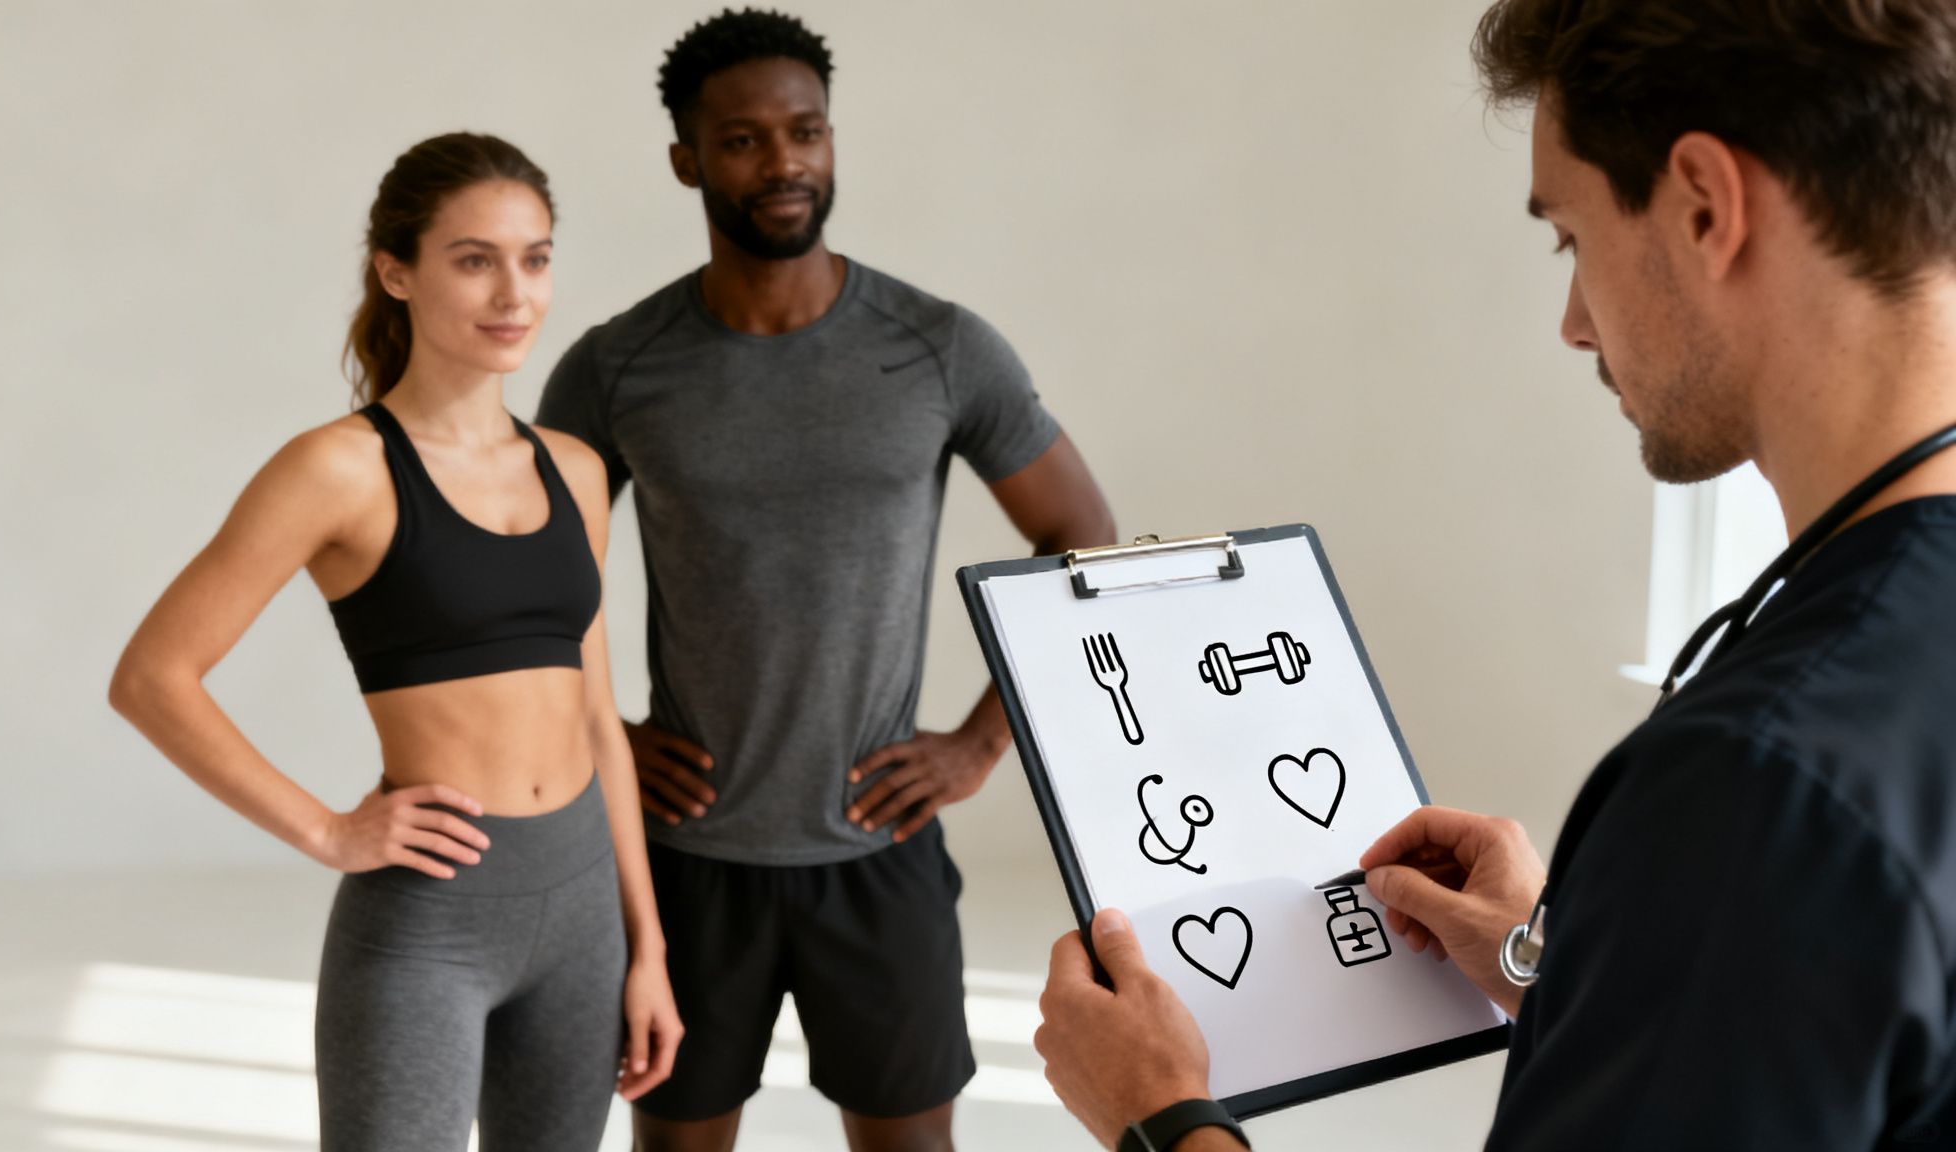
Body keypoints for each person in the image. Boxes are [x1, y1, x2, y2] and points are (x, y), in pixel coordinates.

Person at [1033, 1, 1956, 1148]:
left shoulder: (1753, 785)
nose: (1573, 324)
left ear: (1704, 206)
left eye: (1568, 237)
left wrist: (1160, 1115)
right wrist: (1575, 966)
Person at [535, 9, 1117, 1151]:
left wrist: (977, 744)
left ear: (831, 141)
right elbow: (523, 578)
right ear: (686, 161)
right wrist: (592, 727)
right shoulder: (617, 367)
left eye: (804, 132)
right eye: (744, 139)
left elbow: (1081, 545)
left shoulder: (939, 348)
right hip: (687, 864)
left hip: (879, 857)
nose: (783, 161)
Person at [108, 132, 681, 1152]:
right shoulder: (337, 470)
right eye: (474, 258)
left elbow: (597, 716)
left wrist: (648, 947)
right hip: (432, 918)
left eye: (535, 257)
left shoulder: (576, 470)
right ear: (395, 271)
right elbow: (153, 676)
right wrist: (327, 832)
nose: (514, 292)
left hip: (584, 908)